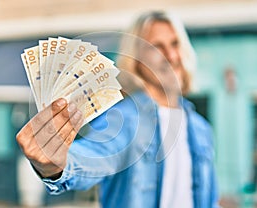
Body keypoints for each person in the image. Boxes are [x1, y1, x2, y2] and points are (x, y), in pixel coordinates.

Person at [16, 11, 219, 208]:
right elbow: (94, 155)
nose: (171, 55)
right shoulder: (124, 118)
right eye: (157, 47)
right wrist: (57, 165)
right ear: (136, 60)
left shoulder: (201, 127)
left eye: (175, 44)